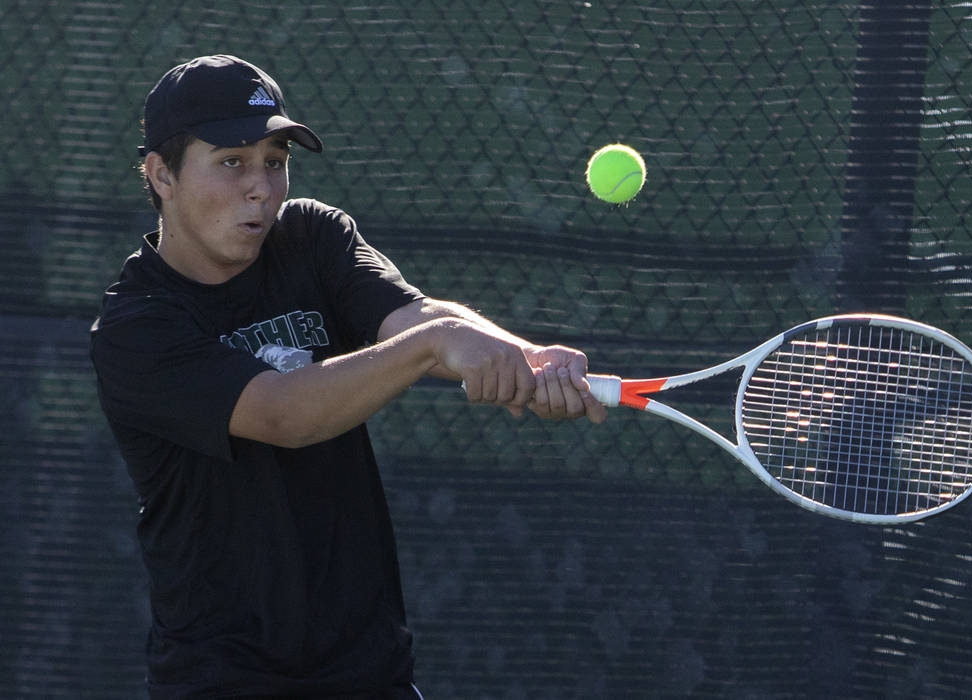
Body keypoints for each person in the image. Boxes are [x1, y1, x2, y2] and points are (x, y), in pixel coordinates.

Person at [90, 54, 606, 699]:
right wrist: (435, 346)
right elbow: (283, 415)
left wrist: (524, 358)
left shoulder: (311, 236)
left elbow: (417, 314)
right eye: (232, 162)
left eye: (275, 162)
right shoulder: (136, 328)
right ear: (161, 174)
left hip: (370, 671)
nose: (261, 187)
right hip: (222, 679)